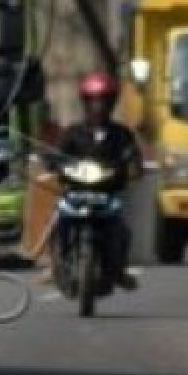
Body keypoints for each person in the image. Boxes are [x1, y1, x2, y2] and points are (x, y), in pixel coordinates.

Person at [56, 71, 142, 291]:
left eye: (103, 100)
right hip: (76, 192)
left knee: (122, 231)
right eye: (93, 101)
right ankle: (58, 262)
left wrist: (133, 166)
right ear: (85, 103)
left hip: (107, 194)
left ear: (111, 103)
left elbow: (132, 156)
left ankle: (118, 269)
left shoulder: (121, 134)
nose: (98, 106)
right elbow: (56, 156)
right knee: (58, 222)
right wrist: (53, 165)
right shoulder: (72, 133)